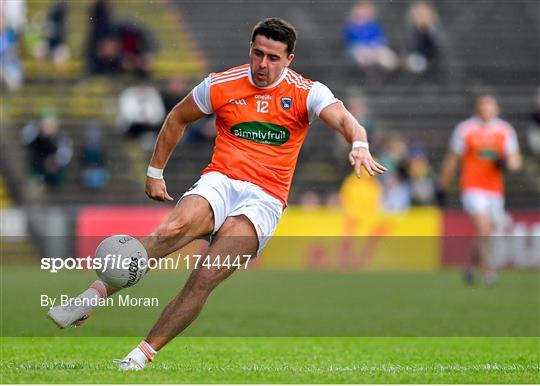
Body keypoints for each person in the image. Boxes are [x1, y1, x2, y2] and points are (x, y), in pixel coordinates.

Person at [47, 18, 386, 370]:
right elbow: (178, 117)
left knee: (205, 273)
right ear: (250, 50)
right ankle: (89, 298)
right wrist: (154, 172)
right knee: (169, 232)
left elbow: (347, 119)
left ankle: (138, 357)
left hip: (265, 199)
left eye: (273, 58)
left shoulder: (307, 92)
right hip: (220, 181)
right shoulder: (222, 84)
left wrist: (359, 144)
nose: (263, 65)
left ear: (289, 60)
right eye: (257, 54)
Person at [438, 94, 522, 284]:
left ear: (496, 109)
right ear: (477, 109)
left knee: (485, 233)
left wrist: (507, 164)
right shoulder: (466, 129)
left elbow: (516, 160)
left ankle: (470, 266)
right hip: (472, 187)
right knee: (483, 228)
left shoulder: (505, 130)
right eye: (483, 106)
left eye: (489, 106)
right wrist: (443, 183)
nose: (486, 110)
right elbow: (453, 159)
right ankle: (488, 272)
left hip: (495, 189)